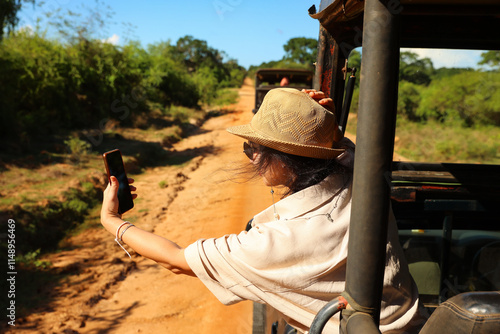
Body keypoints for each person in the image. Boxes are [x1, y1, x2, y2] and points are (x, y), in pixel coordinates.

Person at [101, 88, 424, 333]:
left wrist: (112, 220)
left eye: (254, 149)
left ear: (285, 159)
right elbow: (344, 149)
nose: (252, 158)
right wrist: (321, 128)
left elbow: (176, 259)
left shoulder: (275, 242)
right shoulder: (360, 178)